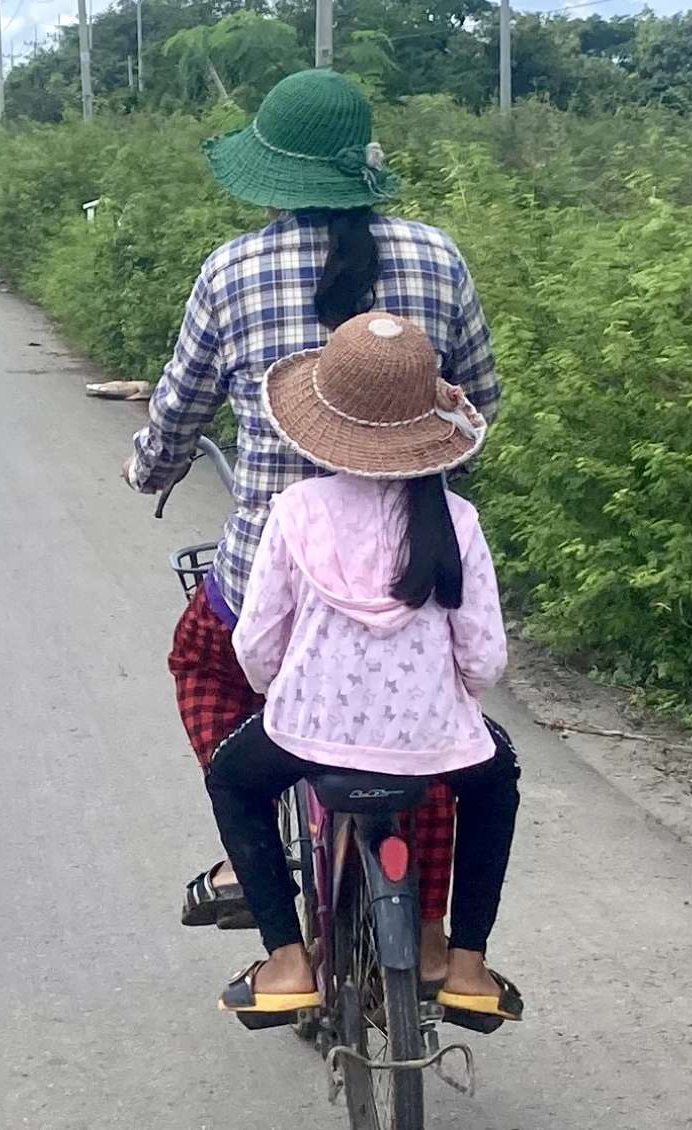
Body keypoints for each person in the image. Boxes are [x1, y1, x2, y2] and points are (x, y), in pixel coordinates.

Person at [125, 68, 500, 990]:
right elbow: (479, 402)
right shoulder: (439, 259)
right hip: (420, 567)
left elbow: (179, 411)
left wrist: (154, 466)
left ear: (270, 174)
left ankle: (257, 878)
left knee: (206, 660)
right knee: (442, 727)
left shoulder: (232, 270)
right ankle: (436, 925)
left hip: (264, 568)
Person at [207, 311, 524, 1032]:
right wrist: (447, 707)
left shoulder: (297, 510)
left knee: (231, 779)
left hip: (308, 732)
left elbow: (258, 642)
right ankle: (468, 964)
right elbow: (483, 658)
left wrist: (275, 690)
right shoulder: (457, 520)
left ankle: (287, 961)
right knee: (495, 783)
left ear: (324, 423)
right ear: (428, 425)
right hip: (432, 740)